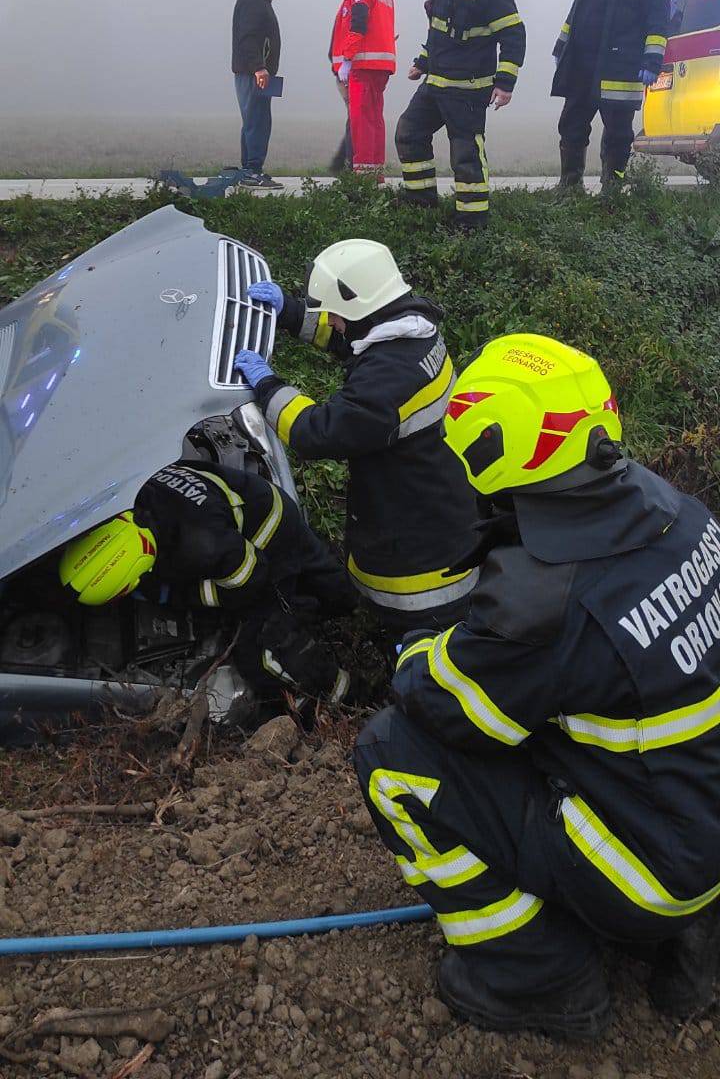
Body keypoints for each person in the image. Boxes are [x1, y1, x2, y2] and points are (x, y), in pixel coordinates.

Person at [354, 333, 720, 1037]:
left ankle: (540, 979)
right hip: (699, 821)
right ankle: (690, 938)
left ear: (494, 448)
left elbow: (453, 711)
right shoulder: (681, 513)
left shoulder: (542, 597)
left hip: (650, 877)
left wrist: (417, 654)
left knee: (390, 756)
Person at [233, 240, 481, 635]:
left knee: (414, 652)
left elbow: (315, 432)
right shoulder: (412, 329)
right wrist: (292, 313)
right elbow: (352, 340)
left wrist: (268, 386)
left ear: (361, 307)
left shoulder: (387, 384)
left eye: (336, 315)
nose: (332, 323)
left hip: (422, 573)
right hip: (438, 504)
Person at [60, 458, 356, 704]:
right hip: (250, 500)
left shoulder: (202, 545)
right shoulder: (133, 495)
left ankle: (340, 696)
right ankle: (342, 599)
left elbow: (252, 581)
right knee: (334, 589)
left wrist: (178, 596)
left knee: (260, 651)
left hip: (268, 536)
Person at [395, 0, 526, 232]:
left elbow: (513, 35)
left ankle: (471, 222)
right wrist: (422, 62)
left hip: (468, 88)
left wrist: (505, 83)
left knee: (465, 154)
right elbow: (438, 30)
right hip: (436, 82)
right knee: (409, 133)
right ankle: (420, 203)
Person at [552, 0, 670, 193]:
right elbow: (576, 11)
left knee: (618, 134)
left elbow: (658, 22)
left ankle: (612, 189)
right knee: (571, 125)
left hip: (620, 69)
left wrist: (652, 61)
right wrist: (562, 47)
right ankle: (569, 186)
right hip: (583, 66)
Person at [329, 0, 397, 174]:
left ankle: (363, 178)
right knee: (375, 120)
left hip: (363, 65)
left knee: (361, 122)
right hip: (380, 66)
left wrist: (347, 59)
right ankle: (375, 173)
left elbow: (358, 21)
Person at [231, 0, 283, 188]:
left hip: (258, 71)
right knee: (256, 120)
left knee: (256, 119)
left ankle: (249, 169)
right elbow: (248, 37)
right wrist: (259, 67)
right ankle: (252, 172)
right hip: (255, 73)